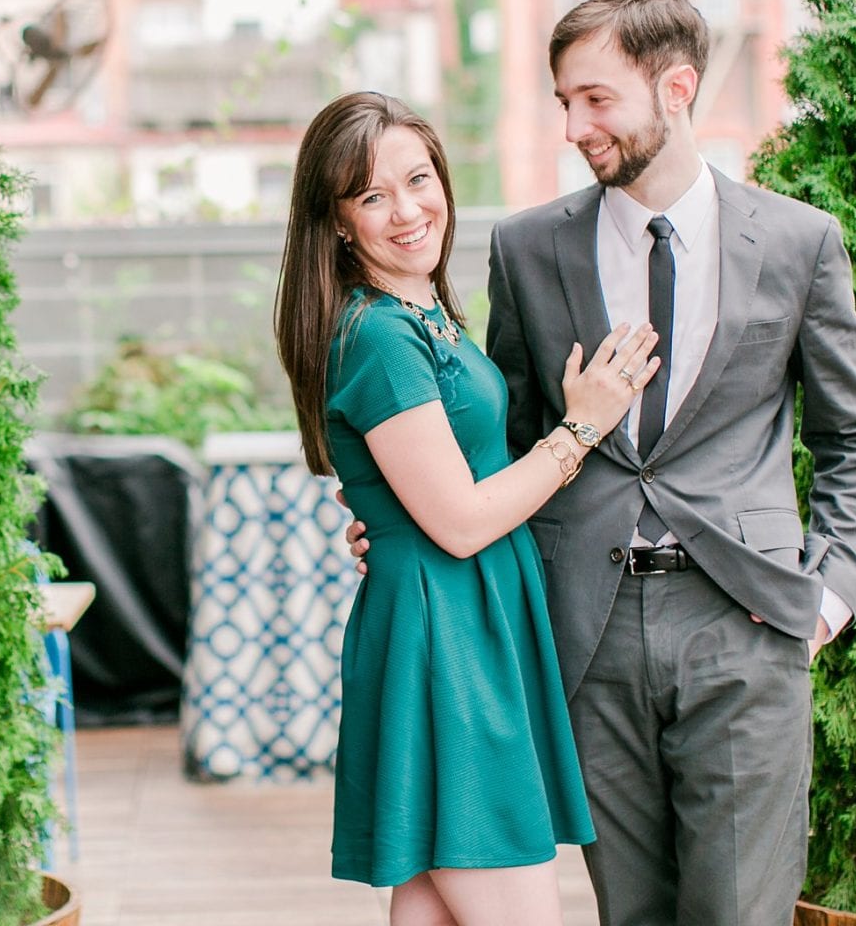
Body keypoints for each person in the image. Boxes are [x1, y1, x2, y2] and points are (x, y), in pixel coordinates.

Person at [347, 0, 856, 926]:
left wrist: (830, 595)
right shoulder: (525, 248)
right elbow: (499, 437)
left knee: (740, 914)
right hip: (580, 631)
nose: (574, 125)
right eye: (563, 101)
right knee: (627, 912)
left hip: (748, 620)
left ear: (675, 88)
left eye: (596, 99)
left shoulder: (800, 243)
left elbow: (854, 439)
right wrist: (405, 518)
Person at [275, 91, 661, 926]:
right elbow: (459, 520)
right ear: (337, 222)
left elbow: (442, 478)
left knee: (434, 911)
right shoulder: (379, 333)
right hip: (446, 632)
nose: (409, 210)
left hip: (465, 618)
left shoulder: (423, 313)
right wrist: (585, 424)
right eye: (373, 196)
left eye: (419, 180)